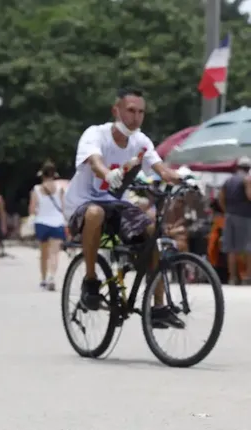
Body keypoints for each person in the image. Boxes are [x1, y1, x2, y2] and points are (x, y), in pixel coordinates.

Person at [63, 88, 183, 328]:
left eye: (141, 112)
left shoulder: (141, 141)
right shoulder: (96, 134)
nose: (136, 117)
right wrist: (109, 173)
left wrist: (184, 179)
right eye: (130, 110)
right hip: (83, 203)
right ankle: (90, 280)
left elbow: (161, 169)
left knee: (152, 233)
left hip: (116, 204)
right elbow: (95, 163)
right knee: (95, 212)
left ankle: (158, 306)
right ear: (115, 110)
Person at [29, 161, 66, 290]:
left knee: (44, 254)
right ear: (54, 174)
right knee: (55, 253)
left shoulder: (37, 189)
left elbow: (33, 209)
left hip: (42, 222)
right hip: (58, 222)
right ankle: (52, 276)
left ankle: (43, 279)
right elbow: (63, 206)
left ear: (42, 175)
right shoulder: (60, 188)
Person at [219, 156, 251, 285]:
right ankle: (247, 277)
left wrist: (226, 210)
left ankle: (233, 278)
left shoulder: (228, 180)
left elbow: (220, 197)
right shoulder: (247, 180)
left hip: (229, 215)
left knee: (231, 248)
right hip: (244, 216)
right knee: (248, 246)